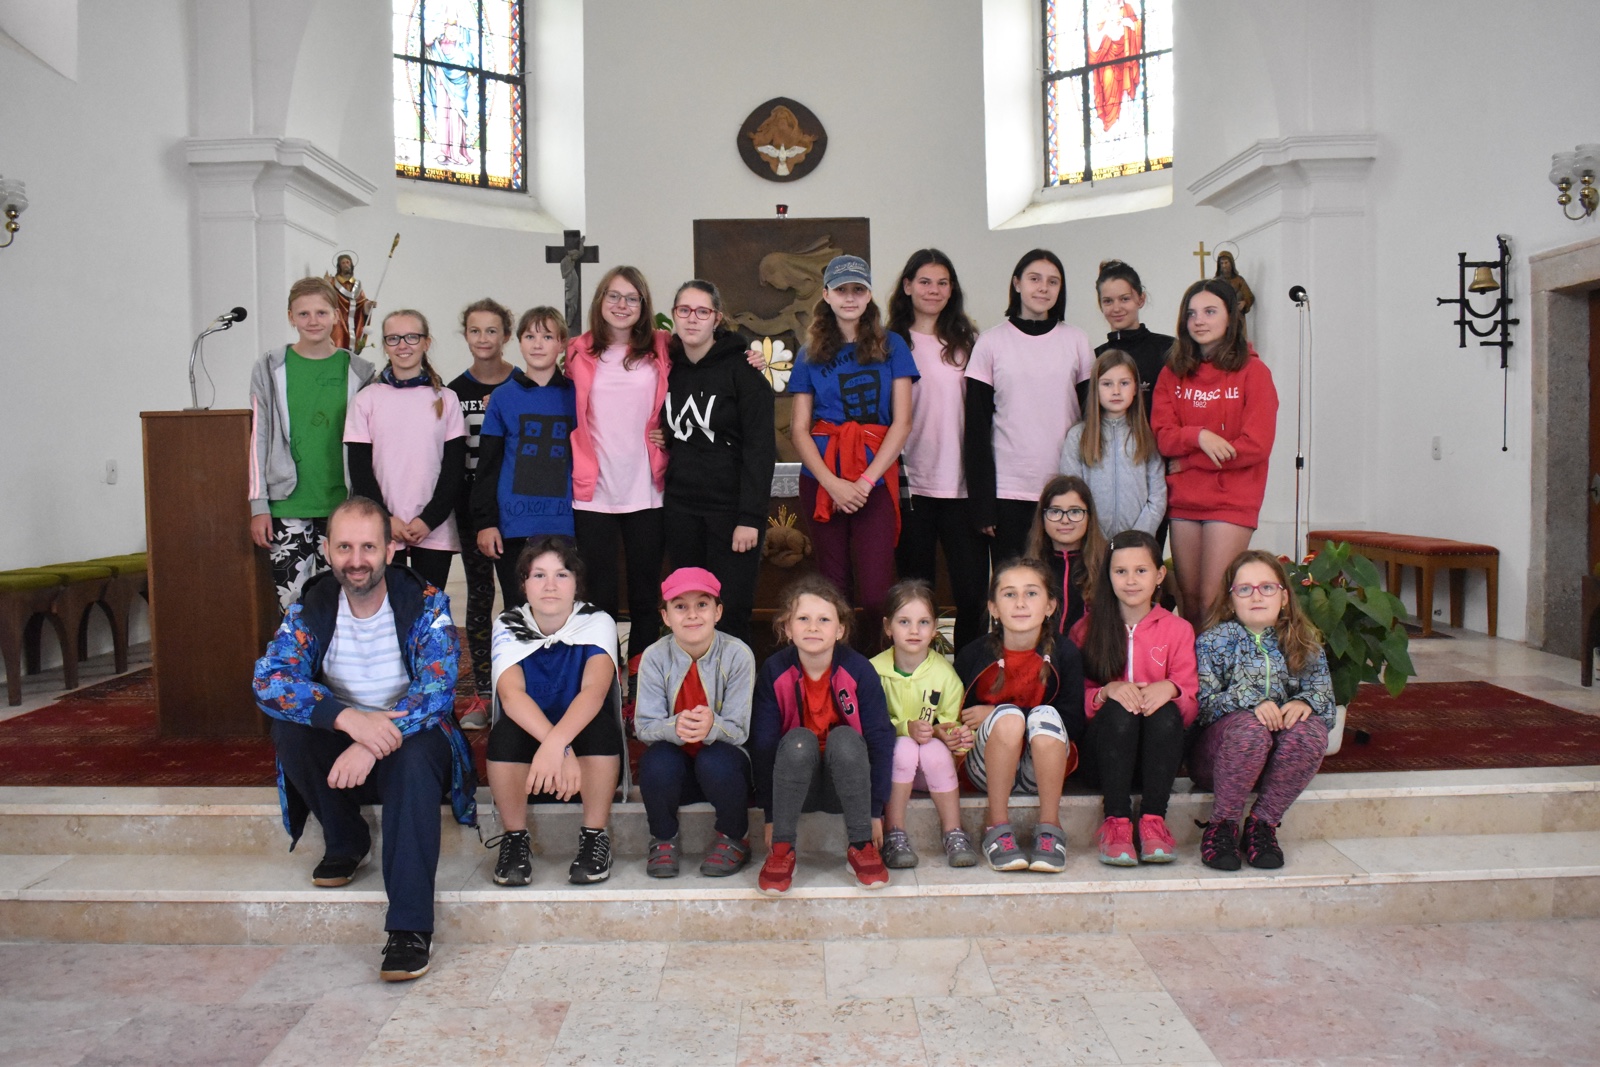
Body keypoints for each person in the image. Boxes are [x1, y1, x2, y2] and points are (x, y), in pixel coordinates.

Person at [253, 496, 476, 982]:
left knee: (415, 758)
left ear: (390, 550)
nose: (356, 560)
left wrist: (369, 739)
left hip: (413, 746)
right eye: (345, 547)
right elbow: (270, 680)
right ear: (327, 550)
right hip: (348, 746)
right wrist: (350, 722)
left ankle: (409, 928)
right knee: (289, 727)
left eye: (369, 547)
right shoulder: (310, 606)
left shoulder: (425, 602)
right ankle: (346, 838)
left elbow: (436, 692)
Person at [788, 254, 918, 649]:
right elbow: (799, 429)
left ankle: (875, 670)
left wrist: (864, 482)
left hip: (874, 479)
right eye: (841, 289)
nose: (849, 297)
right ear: (826, 294)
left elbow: (902, 422)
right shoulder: (809, 352)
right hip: (822, 479)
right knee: (833, 590)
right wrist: (833, 484)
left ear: (869, 295)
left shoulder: (892, 345)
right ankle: (837, 670)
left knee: (877, 593)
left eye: (857, 289)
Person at [484, 536, 626, 886]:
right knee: (504, 734)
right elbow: (512, 697)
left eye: (561, 575)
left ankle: (595, 836)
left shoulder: (596, 621)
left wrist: (558, 744)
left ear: (576, 584)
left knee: (602, 728)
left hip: (578, 742)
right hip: (536, 751)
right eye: (539, 575)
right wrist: (557, 748)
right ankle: (515, 838)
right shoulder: (508, 622)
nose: (550, 585)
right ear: (524, 584)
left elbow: (594, 692)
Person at [750, 575, 896, 895]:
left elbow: (880, 741)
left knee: (845, 738)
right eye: (803, 619)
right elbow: (763, 745)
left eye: (824, 620)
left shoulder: (859, 670)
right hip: (793, 787)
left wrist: (874, 811)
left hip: (844, 787)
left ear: (840, 630)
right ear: (787, 628)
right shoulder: (774, 670)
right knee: (798, 741)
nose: (813, 627)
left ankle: (861, 846)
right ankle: (782, 850)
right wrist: (771, 815)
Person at [1193, 550, 1334, 871]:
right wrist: (1250, 700)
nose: (1256, 596)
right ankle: (1223, 825)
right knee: (1250, 729)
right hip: (1219, 760)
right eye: (1244, 589)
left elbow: (1325, 700)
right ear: (1230, 600)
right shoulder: (1213, 642)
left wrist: (1304, 702)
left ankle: (1262, 824)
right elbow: (1201, 705)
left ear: (1284, 597)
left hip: (1277, 765)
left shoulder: (1304, 641)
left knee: (1310, 729)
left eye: (1267, 588)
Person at [1151, 280, 1279, 627]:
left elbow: (1255, 445)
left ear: (1230, 317)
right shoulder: (1172, 372)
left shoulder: (1254, 373)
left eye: (1210, 312)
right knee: (1189, 600)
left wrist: (1189, 458)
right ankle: (1190, 665)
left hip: (1231, 500)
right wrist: (1199, 435)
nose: (1199, 321)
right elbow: (1163, 436)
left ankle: (1216, 665)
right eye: (1192, 313)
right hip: (1184, 501)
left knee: (1214, 599)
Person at [566, 266, 672, 675]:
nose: (622, 305)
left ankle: (643, 681)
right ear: (600, 301)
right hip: (594, 490)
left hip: (647, 488)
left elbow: (702, 370)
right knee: (601, 596)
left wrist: (749, 355)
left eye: (631, 298)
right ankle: (605, 677)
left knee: (645, 594)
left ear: (643, 305)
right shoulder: (577, 351)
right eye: (614, 296)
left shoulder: (662, 347)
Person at [1068, 530, 1197, 865]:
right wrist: (1105, 693)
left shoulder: (1178, 630)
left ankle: (1153, 822)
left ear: (1159, 575)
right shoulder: (1085, 629)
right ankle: (1117, 824)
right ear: (1108, 576)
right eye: (1120, 571)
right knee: (1120, 710)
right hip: (1104, 759)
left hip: (1156, 762)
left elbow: (1190, 706)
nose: (1130, 581)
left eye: (1141, 570)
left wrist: (1170, 689)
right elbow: (1072, 702)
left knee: (1164, 712)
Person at [249, 276, 378, 610]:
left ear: (336, 315)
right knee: (294, 606)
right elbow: (259, 436)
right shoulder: (270, 367)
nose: (313, 321)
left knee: (343, 604)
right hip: (287, 504)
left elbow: (372, 442)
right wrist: (258, 505)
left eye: (321, 312)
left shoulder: (359, 370)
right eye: (303, 313)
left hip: (342, 503)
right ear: (291, 317)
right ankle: (301, 649)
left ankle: (339, 650)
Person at [661, 280, 776, 643]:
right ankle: (692, 679)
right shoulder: (667, 369)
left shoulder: (743, 372)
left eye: (702, 311)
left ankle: (732, 680)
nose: (692, 318)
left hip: (731, 514)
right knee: (688, 610)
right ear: (674, 315)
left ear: (717, 318)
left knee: (731, 610)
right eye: (684, 310)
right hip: (680, 510)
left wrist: (750, 518)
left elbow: (760, 449)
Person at [886, 248, 989, 652]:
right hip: (910, 487)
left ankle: (969, 674)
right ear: (907, 286)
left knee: (972, 593)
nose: (934, 290)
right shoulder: (889, 342)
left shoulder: (970, 342)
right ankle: (918, 675)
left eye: (942, 283)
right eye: (925, 282)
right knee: (916, 596)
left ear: (952, 289)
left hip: (961, 486)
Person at [965, 249, 1096, 562]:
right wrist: (983, 504)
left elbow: (1093, 422)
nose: (1043, 288)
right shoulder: (991, 342)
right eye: (1035, 279)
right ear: (1017, 284)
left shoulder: (1077, 341)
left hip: (1065, 490)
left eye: (1053, 281)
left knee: (1063, 583)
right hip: (1008, 490)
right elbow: (976, 429)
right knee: (1015, 583)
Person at [954, 558, 1084, 874]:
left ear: (1050, 605)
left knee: (1041, 714)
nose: (1021, 603)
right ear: (994, 608)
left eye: (1031, 593)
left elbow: (1073, 722)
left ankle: (1050, 828)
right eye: (1009, 594)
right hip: (987, 770)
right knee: (1009, 717)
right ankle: (996, 826)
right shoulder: (973, 654)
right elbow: (955, 718)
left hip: (1043, 770)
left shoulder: (1065, 653)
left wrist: (998, 711)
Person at [633, 567, 756, 878]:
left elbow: (740, 730)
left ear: (718, 612)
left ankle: (734, 836)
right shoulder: (654, 657)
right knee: (656, 760)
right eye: (680, 606)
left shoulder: (738, 654)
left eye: (702, 604)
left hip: (724, 771)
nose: (692, 615)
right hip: (678, 774)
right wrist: (673, 726)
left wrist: (712, 726)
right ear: (665, 616)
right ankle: (663, 838)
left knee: (716, 759)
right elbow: (644, 726)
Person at [344, 309, 466, 593]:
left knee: (428, 608)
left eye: (412, 337)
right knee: (387, 606)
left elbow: (453, 470)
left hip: (433, 527)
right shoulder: (366, 400)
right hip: (382, 526)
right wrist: (386, 519)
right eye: (394, 338)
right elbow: (360, 471)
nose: (403, 345)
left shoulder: (447, 399)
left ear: (426, 342)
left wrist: (428, 520)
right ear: (385, 346)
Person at [472, 307, 576, 610]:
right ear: (519, 343)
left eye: (547, 337)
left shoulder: (576, 394)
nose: (538, 344)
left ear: (562, 344)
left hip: (566, 524)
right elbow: (487, 465)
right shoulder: (503, 397)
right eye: (530, 336)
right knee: (518, 609)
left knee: (562, 608)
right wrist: (486, 523)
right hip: (514, 525)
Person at [870, 579, 978, 869]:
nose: (914, 630)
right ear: (888, 626)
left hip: (931, 774)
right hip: (890, 769)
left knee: (934, 749)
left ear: (935, 629)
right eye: (904, 621)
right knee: (904, 747)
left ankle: (954, 832)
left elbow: (952, 722)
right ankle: (894, 832)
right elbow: (870, 725)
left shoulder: (945, 674)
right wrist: (905, 728)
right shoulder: (873, 671)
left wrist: (952, 735)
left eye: (924, 622)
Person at [447, 297, 517, 728]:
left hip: (514, 507)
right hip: (471, 506)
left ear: (506, 335)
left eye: (492, 330)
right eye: (475, 330)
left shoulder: (523, 383)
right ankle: (484, 694)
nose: (483, 338)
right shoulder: (453, 391)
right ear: (466, 335)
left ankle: (518, 691)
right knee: (479, 597)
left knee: (518, 597)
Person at [1058, 348, 1166, 540]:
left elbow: (1157, 497)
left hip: (1137, 543)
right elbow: (1072, 494)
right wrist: (1094, 537)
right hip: (1091, 542)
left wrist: (1135, 537)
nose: (1116, 391)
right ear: (1095, 388)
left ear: (1135, 388)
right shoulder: (1078, 437)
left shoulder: (1146, 436)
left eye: (1124, 383)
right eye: (1107, 384)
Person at [1081, 259, 1175, 410]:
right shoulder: (1095, 358)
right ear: (1100, 305)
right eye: (1108, 301)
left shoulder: (1168, 349)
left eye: (1125, 299)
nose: (1116, 308)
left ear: (1141, 299)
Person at [1024, 474, 1108, 636]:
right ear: (1042, 517)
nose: (1065, 520)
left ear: (1089, 516)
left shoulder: (1107, 565)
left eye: (1075, 512)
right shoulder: (1027, 569)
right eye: (1055, 511)